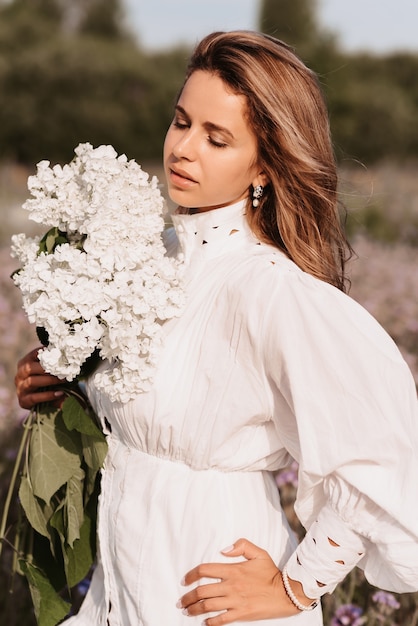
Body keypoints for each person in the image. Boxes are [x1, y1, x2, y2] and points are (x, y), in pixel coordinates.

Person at [15, 31, 418, 626]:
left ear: (264, 164)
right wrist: (61, 380)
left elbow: (380, 460)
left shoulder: (273, 292)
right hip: (117, 592)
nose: (183, 148)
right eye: (181, 122)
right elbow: (152, 404)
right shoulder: (141, 260)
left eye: (216, 138)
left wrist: (295, 588)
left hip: (211, 595)